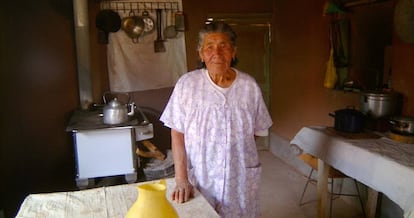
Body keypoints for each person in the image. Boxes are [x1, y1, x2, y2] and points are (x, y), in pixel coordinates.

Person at [160, 21, 273, 217]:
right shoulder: (187, 85)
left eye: (224, 46)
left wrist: (230, 148)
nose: (217, 54)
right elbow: (177, 132)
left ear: (234, 52)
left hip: (239, 177)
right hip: (201, 175)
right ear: (201, 54)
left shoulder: (249, 86)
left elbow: (256, 131)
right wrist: (181, 179)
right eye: (209, 47)